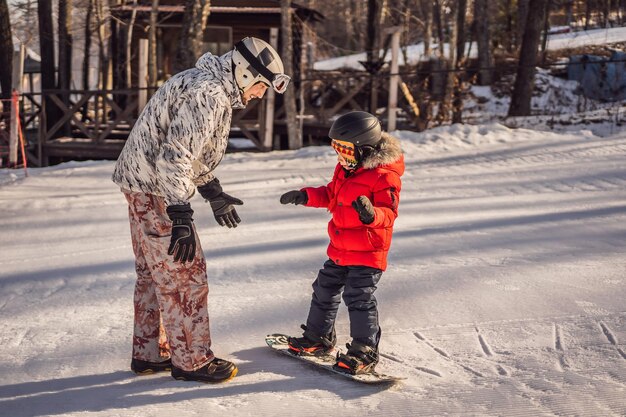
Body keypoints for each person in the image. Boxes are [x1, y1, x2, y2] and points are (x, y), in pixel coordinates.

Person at [112, 37, 290, 383]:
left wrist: (211, 189)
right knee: (185, 274)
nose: (260, 95)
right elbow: (174, 158)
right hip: (156, 188)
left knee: (153, 272)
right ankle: (191, 360)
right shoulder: (207, 95)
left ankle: (150, 352)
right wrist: (180, 214)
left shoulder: (207, 84)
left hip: (141, 183)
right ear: (244, 73)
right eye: (261, 86)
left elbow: (192, 149)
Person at [279, 111, 404, 375]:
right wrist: (305, 196)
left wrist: (371, 214)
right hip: (340, 248)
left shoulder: (384, 176)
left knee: (358, 297)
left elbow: (389, 213)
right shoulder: (346, 169)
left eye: (346, 151)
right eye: (338, 150)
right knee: (324, 288)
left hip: (369, 252)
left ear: (365, 149)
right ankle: (318, 338)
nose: (341, 157)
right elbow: (331, 195)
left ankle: (364, 351)